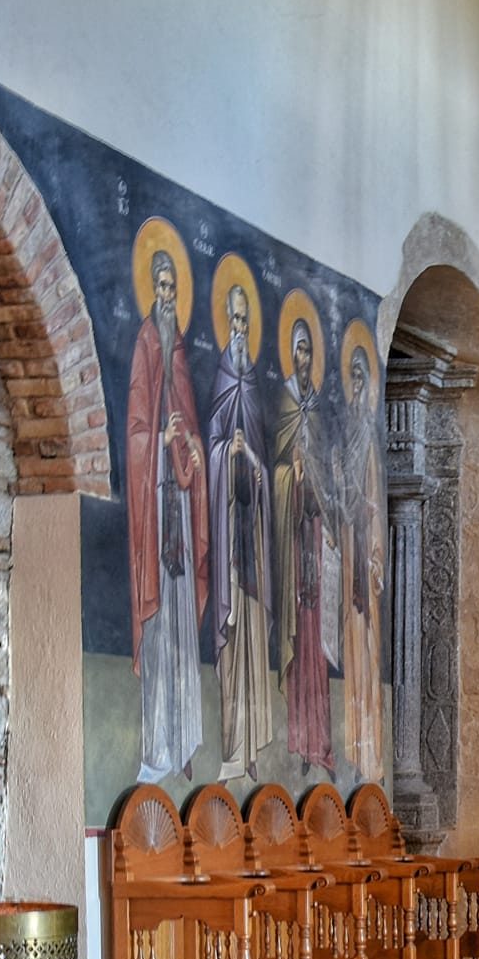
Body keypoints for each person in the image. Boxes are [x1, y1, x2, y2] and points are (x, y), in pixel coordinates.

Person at [125, 246, 209, 783]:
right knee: (160, 636)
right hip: (156, 512)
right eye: (159, 287)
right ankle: (157, 749)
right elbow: (135, 433)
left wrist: (195, 450)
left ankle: (183, 747)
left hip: (180, 504)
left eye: (172, 289)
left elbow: (194, 428)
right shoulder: (145, 344)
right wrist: (161, 439)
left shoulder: (178, 351)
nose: (166, 297)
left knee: (182, 629)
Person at [207, 283, 274, 781]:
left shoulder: (253, 393)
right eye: (232, 322)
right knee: (231, 649)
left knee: (253, 649)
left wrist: (250, 460)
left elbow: (266, 474)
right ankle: (230, 746)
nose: (238, 332)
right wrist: (222, 457)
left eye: (244, 324)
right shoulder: (221, 384)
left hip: (252, 547)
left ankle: (251, 750)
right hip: (229, 545)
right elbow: (209, 452)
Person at [274, 314, 333, 771]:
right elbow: (275, 468)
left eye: (308, 350)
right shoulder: (287, 405)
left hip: (314, 535)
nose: (303, 357)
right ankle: (297, 737)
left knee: (315, 639)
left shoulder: (317, 408)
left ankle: (319, 740)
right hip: (293, 544)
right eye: (297, 350)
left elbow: (328, 480)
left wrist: (316, 487)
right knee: (299, 631)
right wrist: (290, 477)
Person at [341, 339, 385, 780]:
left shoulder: (369, 441)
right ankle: (354, 748)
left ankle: (369, 747)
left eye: (361, 379)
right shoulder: (345, 437)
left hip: (362, 557)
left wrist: (373, 553)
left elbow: (372, 498)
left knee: (367, 653)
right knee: (352, 651)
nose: (356, 386)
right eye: (351, 379)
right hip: (345, 550)